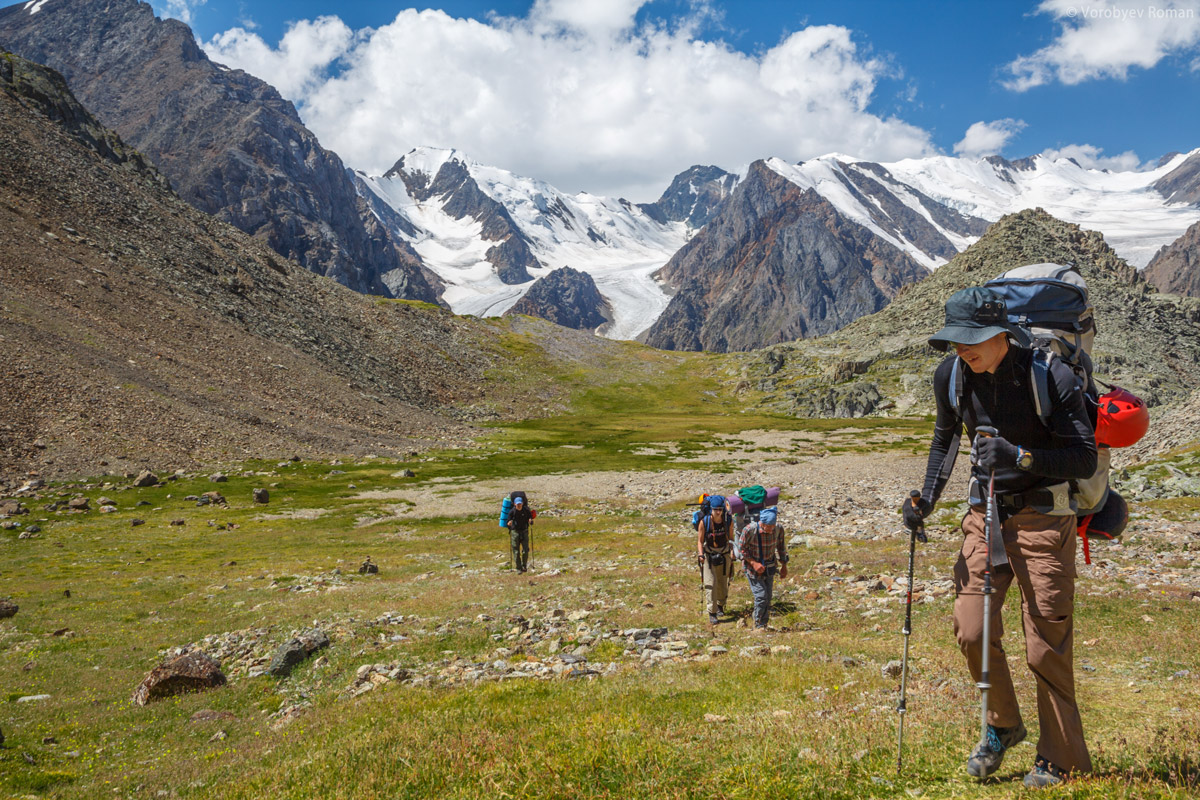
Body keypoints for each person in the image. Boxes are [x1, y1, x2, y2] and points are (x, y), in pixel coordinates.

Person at [903, 286, 1097, 789]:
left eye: (971, 340)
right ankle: (1003, 725)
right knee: (971, 628)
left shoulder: (1048, 375)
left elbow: (1083, 458)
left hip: (1041, 519)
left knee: (1044, 647)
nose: (961, 349)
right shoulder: (951, 376)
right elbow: (945, 440)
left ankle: (1060, 758)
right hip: (982, 516)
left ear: (1001, 334)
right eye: (954, 340)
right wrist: (926, 498)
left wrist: (1021, 457)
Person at [735, 506, 788, 630]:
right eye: (768, 527)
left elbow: (781, 547)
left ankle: (763, 624)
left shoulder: (778, 529)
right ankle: (758, 624)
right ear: (761, 523)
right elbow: (742, 550)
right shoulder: (749, 530)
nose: (770, 530)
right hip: (752, 568)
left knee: (768, 597)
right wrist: (753, 563)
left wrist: (784, 566)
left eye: (772, 527)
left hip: (769, 566)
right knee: (761, 596)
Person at [696, 495, 735, 625]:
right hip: (709, 555)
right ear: (711, 509)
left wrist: (732, 551)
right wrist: (701, 554)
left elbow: (731, 538)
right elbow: (700, 541)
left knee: (723, 582)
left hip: (724, 554)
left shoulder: (728, 520)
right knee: (710, 583)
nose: (718, 512)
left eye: (720, 509)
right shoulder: (704, 522)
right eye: (715, 509)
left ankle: (720, 605)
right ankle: (712, 613)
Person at [507, 495, 533, 573]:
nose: (519, 505)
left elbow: (530, 518)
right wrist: (509, 523)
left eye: (520, 503)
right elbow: (508, 522)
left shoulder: (526, 510)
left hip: (524, 531)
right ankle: (518, 568)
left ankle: (524, 566)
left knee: (525, 550)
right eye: (517, 504)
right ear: (515, 504)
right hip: (515, 532)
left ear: (522, 503)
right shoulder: (512, 512)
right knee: (516, 551)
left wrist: (530, 521)